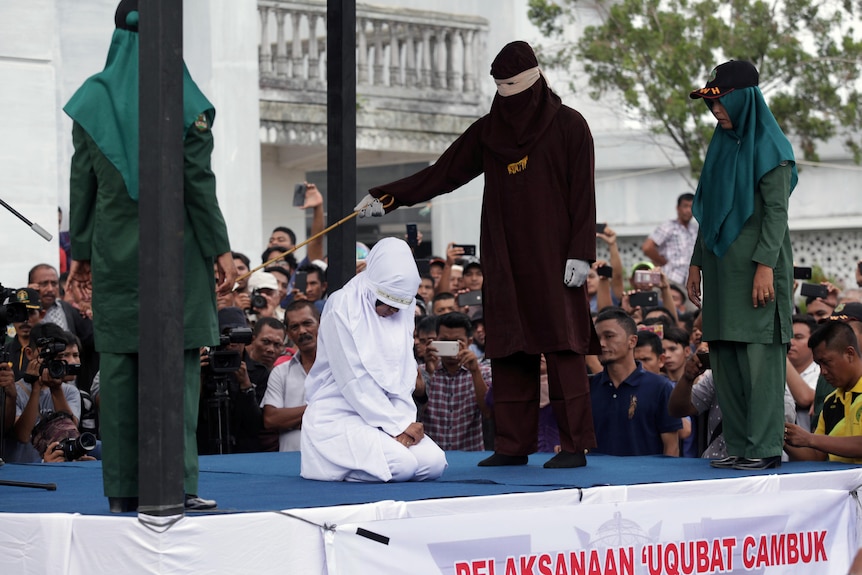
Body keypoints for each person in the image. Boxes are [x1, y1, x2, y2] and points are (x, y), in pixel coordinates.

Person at [362, 41, 599, 468]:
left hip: (555, 257)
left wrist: (581, 252)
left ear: (535, 80)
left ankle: (574, 445)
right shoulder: (489, 131)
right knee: (509, 348)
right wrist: (386, 198)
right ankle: (512, 444)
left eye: (515, 87)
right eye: (501, 89)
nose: (509, 98)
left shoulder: (569, 125)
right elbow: (443, 173)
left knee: (562, 348)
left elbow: (584, 193)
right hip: (504, 256)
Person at [64, 0, 237, 513]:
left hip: (115, 254)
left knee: (118, 373)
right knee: (178, 370)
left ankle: (121, 490)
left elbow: (83, 186)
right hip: (178, 255)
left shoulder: (92, 99)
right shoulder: (183, 97)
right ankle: (177, 486)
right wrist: (221, 248)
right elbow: (198, 186)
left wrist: (80, 254)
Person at [686, 60, 797, 471]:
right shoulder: (720, 145)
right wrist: (697, 262)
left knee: (760, 359)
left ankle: (765, 447)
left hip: (756, 272)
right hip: (719, 271)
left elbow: (776, 213)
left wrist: (765, 265)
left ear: (745, 99)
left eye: (721, 101)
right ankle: (737, 444)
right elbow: (709, 212)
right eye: (711, 103)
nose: (715, 110)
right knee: (727, 356)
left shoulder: (772, 147)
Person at [300, 238, 447, 482]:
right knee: (401, 466)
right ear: (372, 285)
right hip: (339, 412)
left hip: (389, 414)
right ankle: (332, 464)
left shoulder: (403, 307)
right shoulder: (341, 304)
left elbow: (404, 373)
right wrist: (396, 425)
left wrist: (404, 426)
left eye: (400, 305)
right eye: (387, 302)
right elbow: (352, 379)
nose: (393, 311)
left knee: (434, 464)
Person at [589, 309, 682, 456]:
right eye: (597, 338)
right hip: (596, 478)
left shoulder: (659, 387)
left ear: (632, 341)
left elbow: (671, 448)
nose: (601, 344)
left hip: (645, 477)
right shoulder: (589, 386)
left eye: (609, 336)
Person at [784, 321, 862, 463]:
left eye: (826, 362)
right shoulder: (830, 401)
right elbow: (815, 456)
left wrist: (811, 439)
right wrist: (782, 437)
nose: (823, 371)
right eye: (819, 364)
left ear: (849, 354)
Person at [417, 312, 491, 451]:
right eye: (444, 340)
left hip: (470, 457)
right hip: (431, 456)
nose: (450, 347)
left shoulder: (483, 372)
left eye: (456, 342)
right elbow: (416, 415)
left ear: (469, 342)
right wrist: (429, 374)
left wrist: (475, 372)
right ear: (436, 340)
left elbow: (487, 413)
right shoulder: (421, 372)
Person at [261, 301, 319, 452]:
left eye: (307, 323)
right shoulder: (280, 372)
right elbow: (271, 419)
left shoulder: (338, 368)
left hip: (332, 460)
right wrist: (319, 410)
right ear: (288, 333)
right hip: (287, 463)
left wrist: (290, 419)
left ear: (320, 324)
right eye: (295, 327)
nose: (302, 331)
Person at [642, 193, 698, 287]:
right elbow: (647, 248)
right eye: (685, 206)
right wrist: (664, 262)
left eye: (691, 207)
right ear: (678, 208)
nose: (688, 210)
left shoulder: (695, 229)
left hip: (688, 281)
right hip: (671, 278)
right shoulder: (669, 226)